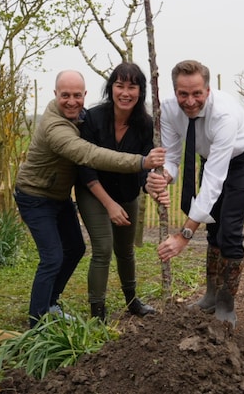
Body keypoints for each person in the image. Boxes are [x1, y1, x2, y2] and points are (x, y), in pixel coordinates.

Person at [14, 69, 165, 328]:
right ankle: (38, 322)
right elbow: (88, 157)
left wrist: (152, 182)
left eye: (77, 95)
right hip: (37, 195)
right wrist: (141, 162)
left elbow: (147, 167)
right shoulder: (60, 126)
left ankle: (51, 304)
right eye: (65, 95)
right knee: (55, 257)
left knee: (76, 248)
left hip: (59, 195)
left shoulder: (92, 118)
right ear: (55, 94)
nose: (72, 101)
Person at [146, 59, 244, 327]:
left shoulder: (223, 115)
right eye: (183, 94)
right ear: (175, 91)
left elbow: (213, 182)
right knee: (213, 226)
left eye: (197, 93)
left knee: (229, 229)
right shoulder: (168, 110)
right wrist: (163, 176)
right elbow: (172, 157)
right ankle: (211, 297)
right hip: (210, 156)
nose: (190, 101)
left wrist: (184, 235)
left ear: (208, 91)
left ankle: (226, 304)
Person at [76, 63, 158, 321]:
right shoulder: (93, 118)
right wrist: (109, 204)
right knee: (103, 249)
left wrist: (150, 185)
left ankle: (133, 302)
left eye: (132, 87)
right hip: (93, 190)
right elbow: (84, 166)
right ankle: (97, 313)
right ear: (111, 88)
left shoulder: (145, 125)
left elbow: (145, 166)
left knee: (126, 249)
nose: (125, 93)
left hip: (127, 193)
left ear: (140, 91)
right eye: (119, 85)